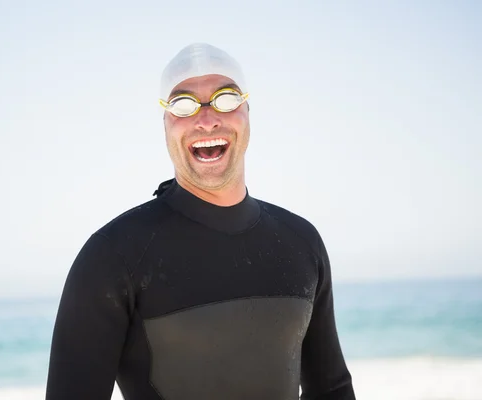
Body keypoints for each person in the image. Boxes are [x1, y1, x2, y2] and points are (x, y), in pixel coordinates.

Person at [45, 43, 356, 400]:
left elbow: (332, 390)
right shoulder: (112, 255)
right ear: (165, 124)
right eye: (183, 104)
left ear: (248, 112)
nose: (207, 119)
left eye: (225, 99)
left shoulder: (302, 242)